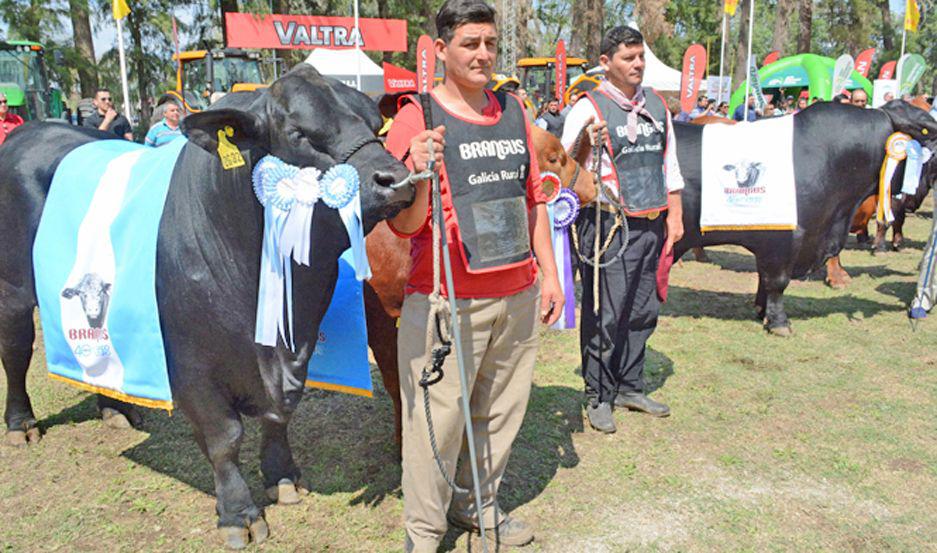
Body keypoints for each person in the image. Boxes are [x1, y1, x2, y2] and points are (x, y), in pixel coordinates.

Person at [384, 1, 564, 549]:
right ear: (441, 50)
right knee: (433, 427)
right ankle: (424, 531)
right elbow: (404, 225)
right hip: (445, 303)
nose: (483, 53)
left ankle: (478, 507)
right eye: (470, 43)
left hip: (517, 295)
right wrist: (416, 171)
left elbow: (533, 199)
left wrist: (549, 276)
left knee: (499, 416)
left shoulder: (514, 110)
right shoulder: (418, 118)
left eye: (488, 43)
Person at [560, 25, 684, 433]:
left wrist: (676, 217)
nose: (637, 64)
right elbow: (563, 167)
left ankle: (630, 385)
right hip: (609, 227)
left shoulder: (657, 105)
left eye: (641, 57)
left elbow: (671, 164)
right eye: (628, 58)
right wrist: (583, 141)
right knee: (606, 314)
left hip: (652, 222)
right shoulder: (588, 106)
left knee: (643, 310)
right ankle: (598, 394)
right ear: (605, 63)